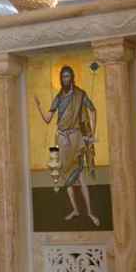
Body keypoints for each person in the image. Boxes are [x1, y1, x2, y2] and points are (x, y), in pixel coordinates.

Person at [34, 66, 100, 225]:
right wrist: (39, 106)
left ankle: (90, 212)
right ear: (60, 79)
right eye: (63, 77)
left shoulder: (80, 95)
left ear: (73, 78)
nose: (66, 79)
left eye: (68, 76)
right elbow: (48, 119)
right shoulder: (58, 98)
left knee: (80, 175)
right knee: (66, 177)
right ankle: (76, 209)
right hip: (62, 140)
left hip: (76, 138)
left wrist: (91, 133)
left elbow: (93, 110)